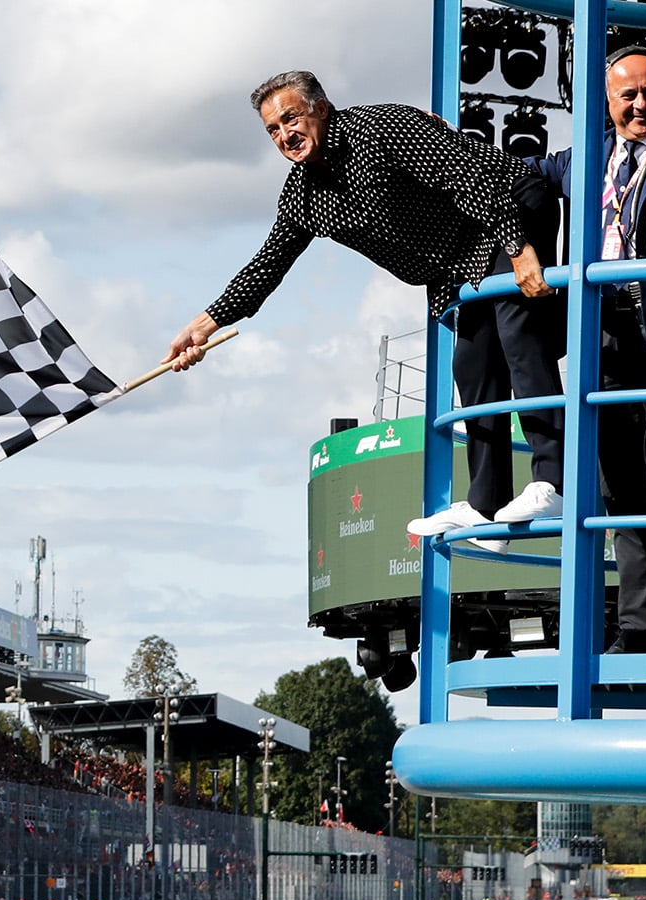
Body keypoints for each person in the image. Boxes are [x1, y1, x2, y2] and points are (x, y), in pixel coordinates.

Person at [170, 70, 566, 548]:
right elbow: (268, 264)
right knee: (472, 363)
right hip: (460, 253)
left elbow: (470, 178)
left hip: (508, 207)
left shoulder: (380, 128)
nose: (285, 135)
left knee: (517, 332)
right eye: (273, 129)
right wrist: (203, 325)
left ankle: (555, 482)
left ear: (320, 108)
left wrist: (518, 246)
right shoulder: (302, 195)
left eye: (291, 118)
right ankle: (486, 506)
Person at [534, 47, 646, 652]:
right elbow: (510, 170)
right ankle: (636, 627)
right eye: (628, 95)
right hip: (603, 341)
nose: (641, 104)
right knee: (620, 491)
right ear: (606, 102)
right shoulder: (582, 161)